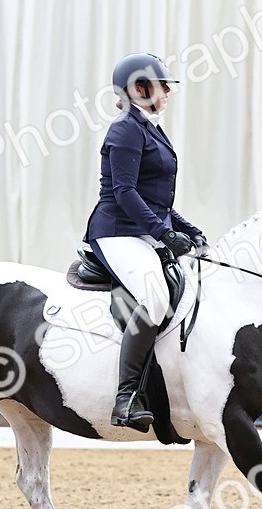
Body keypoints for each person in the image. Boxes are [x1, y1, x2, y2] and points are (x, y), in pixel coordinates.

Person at [83, 52, 207, 432]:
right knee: (154, 296)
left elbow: (157, 198)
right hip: (117, 230)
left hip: (141, 228)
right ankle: (127, 398)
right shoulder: (125, 129)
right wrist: (163, 232)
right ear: (139, 88)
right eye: (162, 85)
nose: (168, 92)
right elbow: (125, 192)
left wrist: (186, 227)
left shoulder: (150, 128)